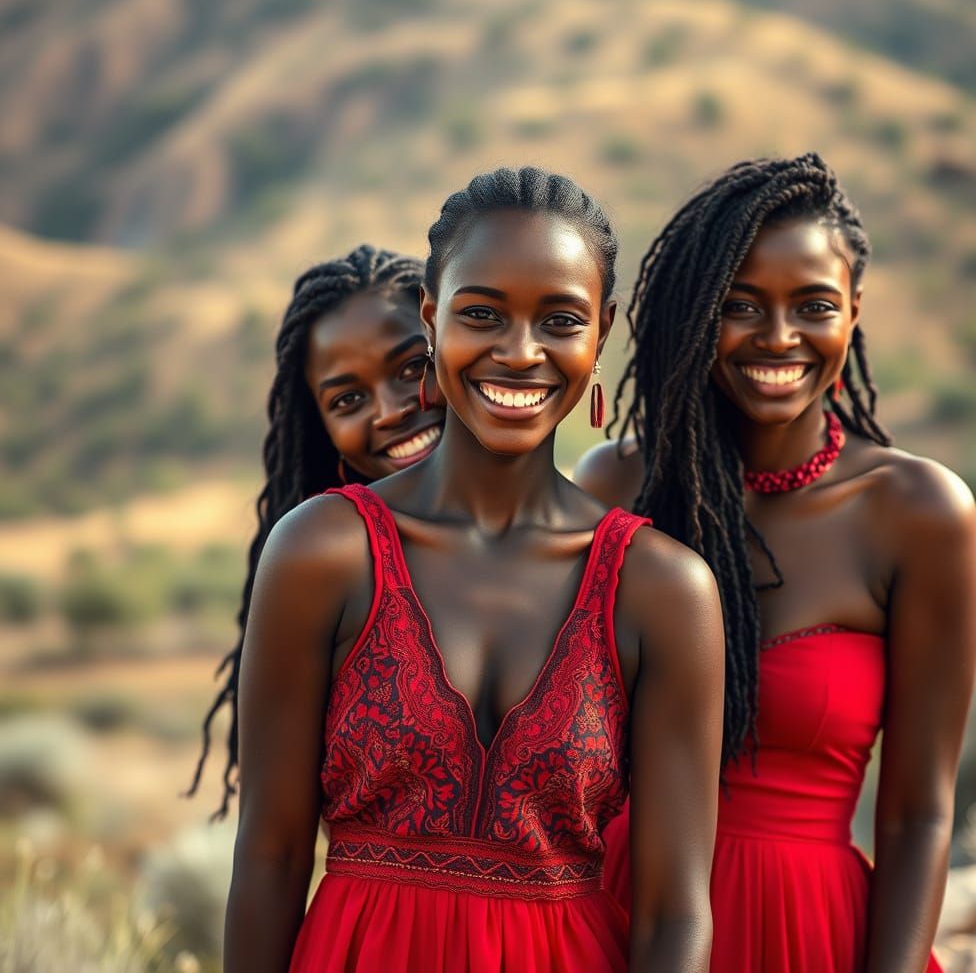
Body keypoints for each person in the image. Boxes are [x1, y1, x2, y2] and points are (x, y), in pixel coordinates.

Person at [224, 167, 725, 973]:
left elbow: (674, 912)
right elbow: (270, 860)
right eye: (482, 314)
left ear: (602, 331)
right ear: (431, 319)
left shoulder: (663, 590)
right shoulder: (322, 550)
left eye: (558, 320)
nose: (519, 351)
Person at [577, 154, 976, 972]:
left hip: (811, 933)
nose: (779, 337)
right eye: (740, 306)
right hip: (617, 917)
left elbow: (918, 813)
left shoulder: (918, 514)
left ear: (854, 313)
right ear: (696, 315)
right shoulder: (618, 484)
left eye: (814, 306)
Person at [188, 245, 444, 816]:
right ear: (320, 428)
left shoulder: (591, 544)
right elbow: (274, 846)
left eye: (413, 368)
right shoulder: (323, 573)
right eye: (348, 399)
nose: (391, 410)